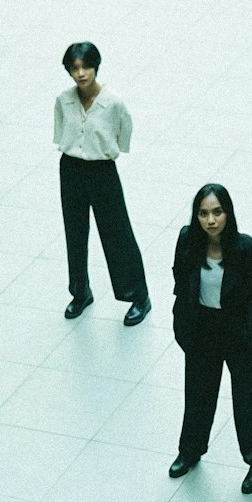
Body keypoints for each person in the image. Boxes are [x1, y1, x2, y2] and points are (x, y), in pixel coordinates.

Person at [169, 183, 252, 494]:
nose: (211, 220)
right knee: (198, 392)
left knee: (249, 397)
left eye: (217, 212)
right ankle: (190, 450)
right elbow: (180, 277)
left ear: (228, 213)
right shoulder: (187, 242)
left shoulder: (247, 248)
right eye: (203, 213)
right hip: (202, 327)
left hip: (238, 330)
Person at [54, 42, 151, 325]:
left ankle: (138, 296)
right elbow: (61, 134)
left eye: (86, 67)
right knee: (74, 232)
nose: (81, 73)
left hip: (102, 170)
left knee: (117, 233)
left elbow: (123, 136)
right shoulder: (63, 99)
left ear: (96, 66)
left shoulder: (114, 102)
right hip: (71, 168)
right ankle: (80, 292)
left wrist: (103, 151)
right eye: (75, 68)